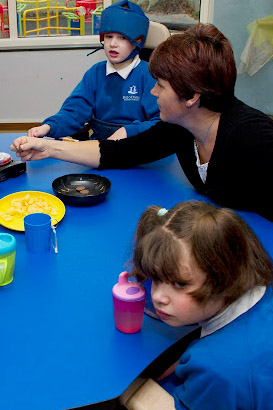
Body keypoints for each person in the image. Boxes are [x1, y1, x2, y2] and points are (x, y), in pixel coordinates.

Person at [11, 24, 273, 220]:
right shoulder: (181, 128)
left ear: (192, 96)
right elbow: (119, 152)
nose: (153, 92)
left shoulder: (255, 140)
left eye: (160, 85)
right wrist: (48, 147)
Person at [128, 200, 273, 410]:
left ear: (222, 276)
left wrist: (130, 393)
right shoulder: (261, 289)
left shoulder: (217, 369)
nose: (158, 296)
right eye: (156, 279)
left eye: (180, 283)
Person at [27, 0, 160, 141]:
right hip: (98, 149)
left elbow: (161, 123)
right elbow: (74, 111)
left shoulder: (149, 75)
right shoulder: (95, 73)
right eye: (109, 36)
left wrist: (127, 132)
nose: (113, 44)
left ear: (137, 41)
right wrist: (48, 127)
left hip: (137, 148)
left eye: (122, 38)